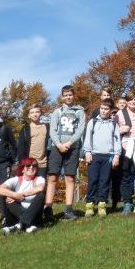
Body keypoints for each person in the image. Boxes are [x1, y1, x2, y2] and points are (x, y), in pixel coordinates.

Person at [45, 85, 87, 221]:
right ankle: (48, 209)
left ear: (73, 96)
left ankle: (68, 209)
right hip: (57, 147)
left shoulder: (80, 111)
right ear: (62, 97)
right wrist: (58, 144)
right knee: (52, 177)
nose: (68, 97)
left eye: (70, 95)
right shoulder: (56, 112)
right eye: (66, 95)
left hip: (73, 148)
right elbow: (52, 130)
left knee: (70, 178)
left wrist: (69, 143)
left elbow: (80, 130)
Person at [82, 99, 122, 218]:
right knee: (93, 180)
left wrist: (116, 156)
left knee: (104, 181)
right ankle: (89, 205)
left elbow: (117, 141)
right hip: (94, 156)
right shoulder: (92, 122)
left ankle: (102, 205)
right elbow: (87, 138)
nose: (103, 111)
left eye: (106, 109)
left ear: (110, 111)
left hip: (108, 157)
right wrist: (87, 153)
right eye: (102, 108)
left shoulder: (114, 124)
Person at [0, 157, 46, 234]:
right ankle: (29, 224)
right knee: (7, 197)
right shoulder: (16, 180)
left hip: (35, 213)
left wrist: (20, 195)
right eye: (28, 165)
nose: (31, 167)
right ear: (23, 169)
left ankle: (20, 225)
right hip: (17, 212)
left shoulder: (39, 179)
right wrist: (14, 195)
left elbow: (40, 188)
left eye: (34, 165)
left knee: (41, 196)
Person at [16, 104, 49, 175]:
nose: (35, 114)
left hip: (43, 163)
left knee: (41, 185)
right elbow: (21, 148)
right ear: (29, 115)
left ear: (41, 113)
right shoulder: (25, 129)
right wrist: (22, 164)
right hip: (29, 163)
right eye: (32, 113)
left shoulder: (47, 127)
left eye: (37, 112)